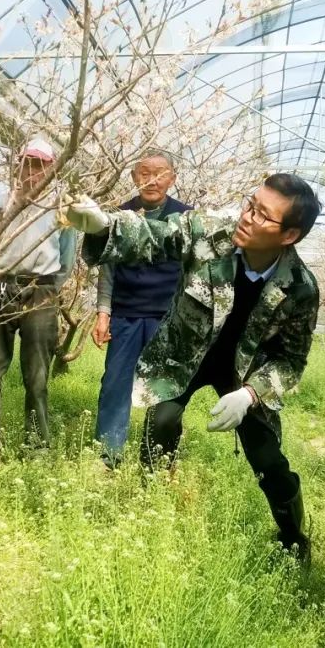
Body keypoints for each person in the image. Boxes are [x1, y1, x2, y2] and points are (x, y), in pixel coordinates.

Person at [65, 174, 321, 560]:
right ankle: (152, 509)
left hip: (245, 373)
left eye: (262, 215)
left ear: (289, 235)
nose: (247, 217)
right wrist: (105, 225)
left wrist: (251, 394)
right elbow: (158, 235)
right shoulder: (210, 232)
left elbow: (292, 361)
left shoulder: (299, 288)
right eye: (249, 204)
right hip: (187, 352)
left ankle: (293, 536)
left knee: (267, 458)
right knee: (161, 421)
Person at [0, 137, 77, 466]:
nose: (33, 171)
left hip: (42, 291)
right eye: (28, 163)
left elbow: (67, 259)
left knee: (37, 375)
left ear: (51, 168)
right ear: (18, 164)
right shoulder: (0, 202)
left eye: (41, 164)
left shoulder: (61, 209)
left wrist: (48, 289)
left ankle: (38, 449)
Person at [92, 151, 192, 469]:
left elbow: (194, 272)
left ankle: (160, 459)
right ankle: (108, 457)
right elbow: (107, 270)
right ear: (134, 177)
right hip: (125, 315)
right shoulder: (119, 216)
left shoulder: (186, 218)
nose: (152, 180)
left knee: (165, 392)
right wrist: (103, 313)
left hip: (168, 317)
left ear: (172, 179)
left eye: (160, 173)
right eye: (144, 173)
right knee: (115, 386)